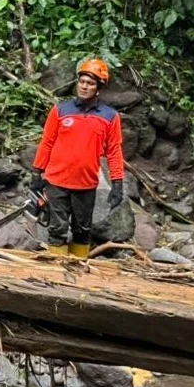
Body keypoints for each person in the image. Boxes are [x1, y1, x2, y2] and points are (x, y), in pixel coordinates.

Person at [32, 59, 125, 257]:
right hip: (56, 180)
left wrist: (117, 183)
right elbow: (47, 143)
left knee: (82, 230)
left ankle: (79, 271)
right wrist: (37, 173)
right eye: (82, 81)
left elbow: (114, 151)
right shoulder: (60, 110)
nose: (84, 86)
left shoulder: (110, 116)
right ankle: (56, 274)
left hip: (85, 183)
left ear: (99, 88)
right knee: (57, 228)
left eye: (90, 83)